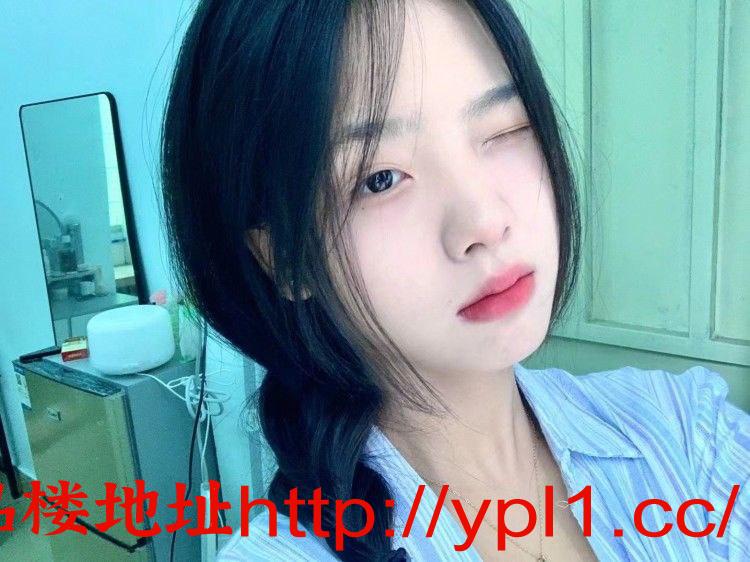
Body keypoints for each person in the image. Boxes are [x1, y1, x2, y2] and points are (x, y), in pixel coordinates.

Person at [159, 0, 750, 560]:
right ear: (286, 257)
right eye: (380, 178)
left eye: (503, 129)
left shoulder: (682, 429)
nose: (485, 222)